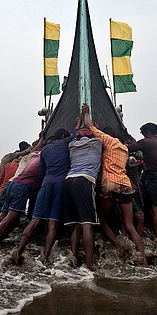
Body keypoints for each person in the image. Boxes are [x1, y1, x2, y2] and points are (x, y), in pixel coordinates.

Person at [82, 104, 148, 265]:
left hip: (110, 183)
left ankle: (120, 249)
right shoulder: (124, 148)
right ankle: (144, 259)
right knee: (129, 225)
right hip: (125, 185)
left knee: (101, 221)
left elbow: (90, 127)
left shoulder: (108, 142)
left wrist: (86, 113)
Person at [14, 125, 76, 265]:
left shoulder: (45, 150)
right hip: (60, 185)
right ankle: (45, 255)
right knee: (53, 223)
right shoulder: (65, 143)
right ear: (62, 137)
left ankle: (18, 253)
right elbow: (74, 134)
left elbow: (41, 172)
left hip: (46, 184)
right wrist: (80, 121)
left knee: (35, 220)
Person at [0, 133, 44, 254]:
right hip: (21, 186)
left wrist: (40, 139)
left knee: (1, 216)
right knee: (9, 219)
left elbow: (35, 149)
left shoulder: (28, 156)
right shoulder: (40, 156)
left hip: (11, 184)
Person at [63, 113, 102, 270]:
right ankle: (89, 264)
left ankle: (73, 256)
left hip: (68, 180)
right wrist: (87, 115)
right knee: (87, 223)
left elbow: (75, 134)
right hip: (85, 180)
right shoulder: (97, 143)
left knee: (74, 223)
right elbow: (97, 132)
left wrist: (78, 123)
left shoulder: (72, 145)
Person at [126, 122, 157, 242]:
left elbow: (128, 148)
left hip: (152, 178)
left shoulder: (146, 142)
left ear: (148, 133)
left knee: (154, 209)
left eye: (144, 134)